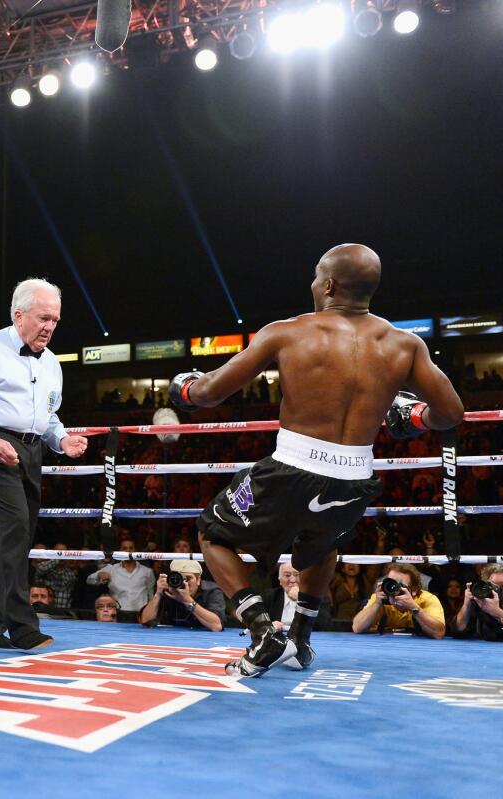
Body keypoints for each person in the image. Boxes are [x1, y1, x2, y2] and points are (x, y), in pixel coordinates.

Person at [169, 244, 464, 676]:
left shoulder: (288, 331)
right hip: (355, 477)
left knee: (212, 534)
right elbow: (452, 413)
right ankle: (300, 640)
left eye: (314, 276)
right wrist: (416, 416)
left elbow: (212, 391)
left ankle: (262, 631)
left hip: (292, 466)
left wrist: (184, 388)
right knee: (324, 545)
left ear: (327, 284)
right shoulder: (406, 344)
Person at [0, 278, 88, 650]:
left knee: (13, 539)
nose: (50, 327)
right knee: (13, 528)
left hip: (31, 451)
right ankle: (23, 627)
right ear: (18, 314)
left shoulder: (53, 363)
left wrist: (62, 439)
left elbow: (47, 417)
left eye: (55, 320)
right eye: (43, 318)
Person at [350, 563, 444, 638]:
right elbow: (357, 628)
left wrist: (414, 608)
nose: (393, 588)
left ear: (414, 590)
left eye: (399, 585)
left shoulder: (427, 599)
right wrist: (377, 603)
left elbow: (438, 633)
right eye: (391, 583)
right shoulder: (380, 597)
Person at [137, 559, 226, 631]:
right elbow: (145, 621)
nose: (184, 583)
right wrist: (158, 594)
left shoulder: (211, 591)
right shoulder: (168, 589)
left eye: (188, 578)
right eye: (179, 579)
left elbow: (217, 626)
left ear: (198, 580)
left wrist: (187, 600)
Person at [264, 562, 333, 635]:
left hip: (308, 639)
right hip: (277, 639)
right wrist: (270, 625)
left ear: (305, 578)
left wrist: (302, 599)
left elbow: (325, 626)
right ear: (279, 580)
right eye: (287, 575)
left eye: (297, 575)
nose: (293, 580)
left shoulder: (318, 596)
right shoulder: (271, 596)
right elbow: (257, 623)